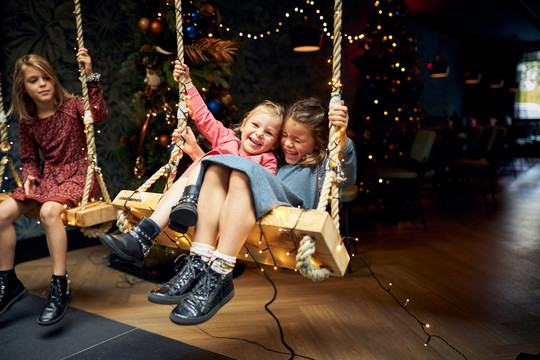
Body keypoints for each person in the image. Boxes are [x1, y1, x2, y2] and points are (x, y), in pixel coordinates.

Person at [101, 95, 356, 325]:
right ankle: (198, 263)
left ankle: (219, 273)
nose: (288, 144)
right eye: (285, 137)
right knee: (217, 164)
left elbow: (347, 171)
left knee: (241, 169)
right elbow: (224, 181)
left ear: (318, 143)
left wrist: (341, 136)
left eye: (297, 140)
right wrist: (197, 153)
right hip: (243, 212)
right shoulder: (274, 158)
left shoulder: (319, 166)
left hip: (285, 217)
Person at [99, 61, 284, 264]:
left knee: (210, 161)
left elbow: (265, 187)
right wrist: (187, 83)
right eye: (256, 125)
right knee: (183, 182)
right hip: (194, 191)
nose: (259, 134)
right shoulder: (227, 138)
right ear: (245, 123)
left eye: (268, 133)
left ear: (275, 143)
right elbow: (204, 117)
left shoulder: (267, 159)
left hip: (223, 203)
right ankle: (142, 237)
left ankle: (184, 211)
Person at [0, 50, 107, 325]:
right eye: (34, 80)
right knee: (1, 215)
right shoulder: (29, 121)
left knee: (49, 212)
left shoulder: (73, 106)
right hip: (48, 178)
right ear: (24, 88)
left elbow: (99, 113)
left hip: (79, 175)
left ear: (54, 80)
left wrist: (90, 77)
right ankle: (8, 281)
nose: (42, 84)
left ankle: (60, 285)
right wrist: (31, 176)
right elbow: (28, 158)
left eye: (46, 77)